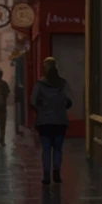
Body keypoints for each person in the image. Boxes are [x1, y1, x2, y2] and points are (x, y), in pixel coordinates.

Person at [30, 56, 73, 185]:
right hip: (60, 122)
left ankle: (47, 175)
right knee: (58, 149)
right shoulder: (63, 83)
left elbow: (32, 101)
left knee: (46, 149)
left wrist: (40, 110)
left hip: (44, 122)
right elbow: (70, 101)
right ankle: (57, 172)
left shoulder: (40, 84)